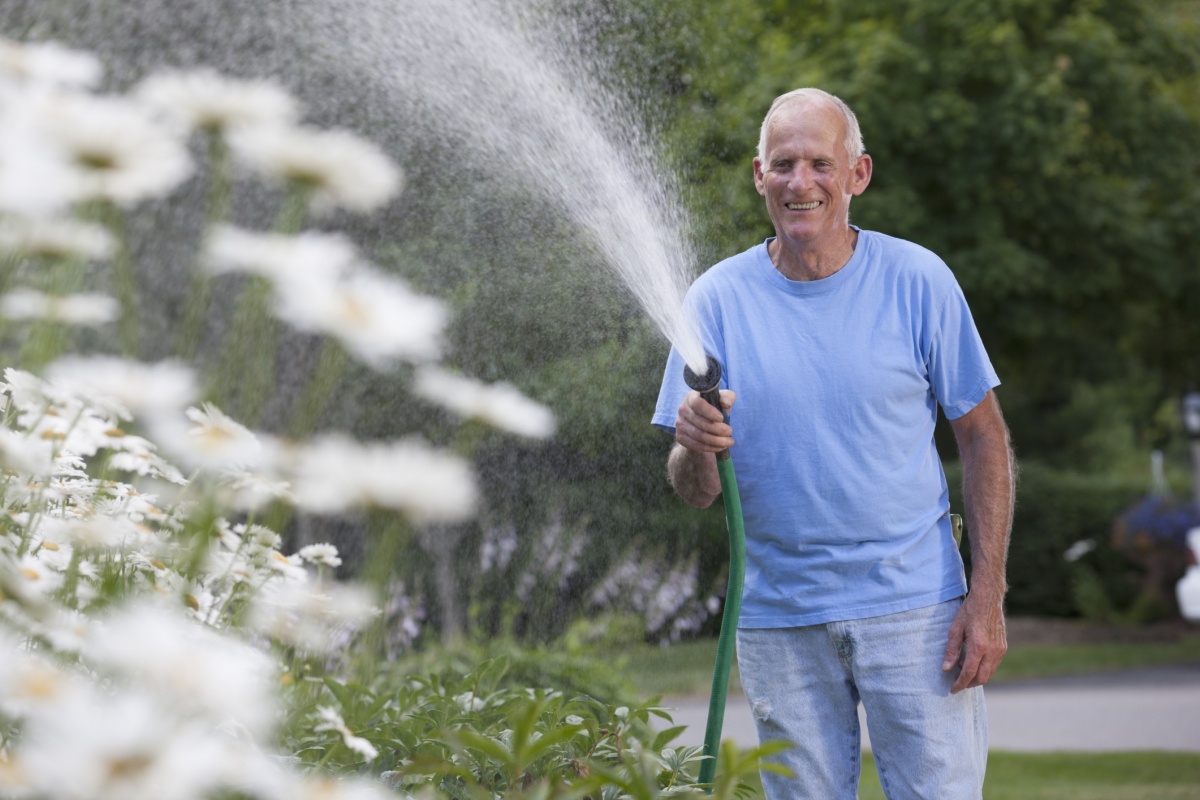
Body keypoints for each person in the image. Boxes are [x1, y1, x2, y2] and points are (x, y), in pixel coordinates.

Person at [652, 88, 1016, 800]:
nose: (801, 182)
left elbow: (984, 437)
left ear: (859, 174)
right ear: (758, 174)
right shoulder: (714, 300)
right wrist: (693, 445)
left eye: (821, 162)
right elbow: (697, 492)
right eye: (783, 164)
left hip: (916, 612)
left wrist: (988, 595)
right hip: (778, 619)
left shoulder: (918, 281)